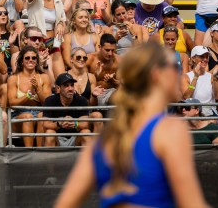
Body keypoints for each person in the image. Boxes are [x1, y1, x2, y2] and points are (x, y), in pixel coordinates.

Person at [55, 42, 209, 208]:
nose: (178, 72)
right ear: (157, 74)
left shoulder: (102, 142)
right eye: (173, 66)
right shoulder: (170, 130)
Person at [7, 46, 52, 148]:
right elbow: (12, 103)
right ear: (22, 61)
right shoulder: (13, 78)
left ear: (37, 61)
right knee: (28, 116)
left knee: (42, 116)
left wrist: (38, 90)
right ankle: (29, 152)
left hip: (39, 112)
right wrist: (29, 94)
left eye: (34, 58)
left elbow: (47, 104)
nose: (31, 60)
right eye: (27, 58)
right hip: (19, 114)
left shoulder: (44, 77)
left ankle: (40, 151)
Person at [42, 72, 91, 147]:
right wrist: (59, 123)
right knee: (49, 133)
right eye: (66, 86)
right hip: (57, 138)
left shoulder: (81, 100)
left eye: (72, 85)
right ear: (58, 88)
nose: (70, 89)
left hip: (75, 138)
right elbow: (46, 125)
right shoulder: (50, 100)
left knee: (86, 132)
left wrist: (75, 123)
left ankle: (87, 158)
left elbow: (85, 124)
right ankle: (49, 158)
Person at [181, 46, 218, 118]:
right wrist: (195, 77)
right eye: (202, 56)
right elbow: (187, 97)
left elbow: (217, 96)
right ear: (193, 58)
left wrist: (215, 79)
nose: (205, 59)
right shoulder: (185, 77)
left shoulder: (212, 76)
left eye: (207, 57)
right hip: (193, 114)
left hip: (209, 114)